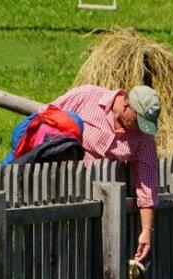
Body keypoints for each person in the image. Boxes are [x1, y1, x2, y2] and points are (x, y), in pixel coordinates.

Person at [50, 84, 161, 262]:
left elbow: (147, 186)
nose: (142, 128)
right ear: (126, 107)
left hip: (100, 212)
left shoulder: (143, 139)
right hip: (56, 193)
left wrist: (147, 230)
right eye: (140, 121)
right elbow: (46, 117)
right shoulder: (86, 97)